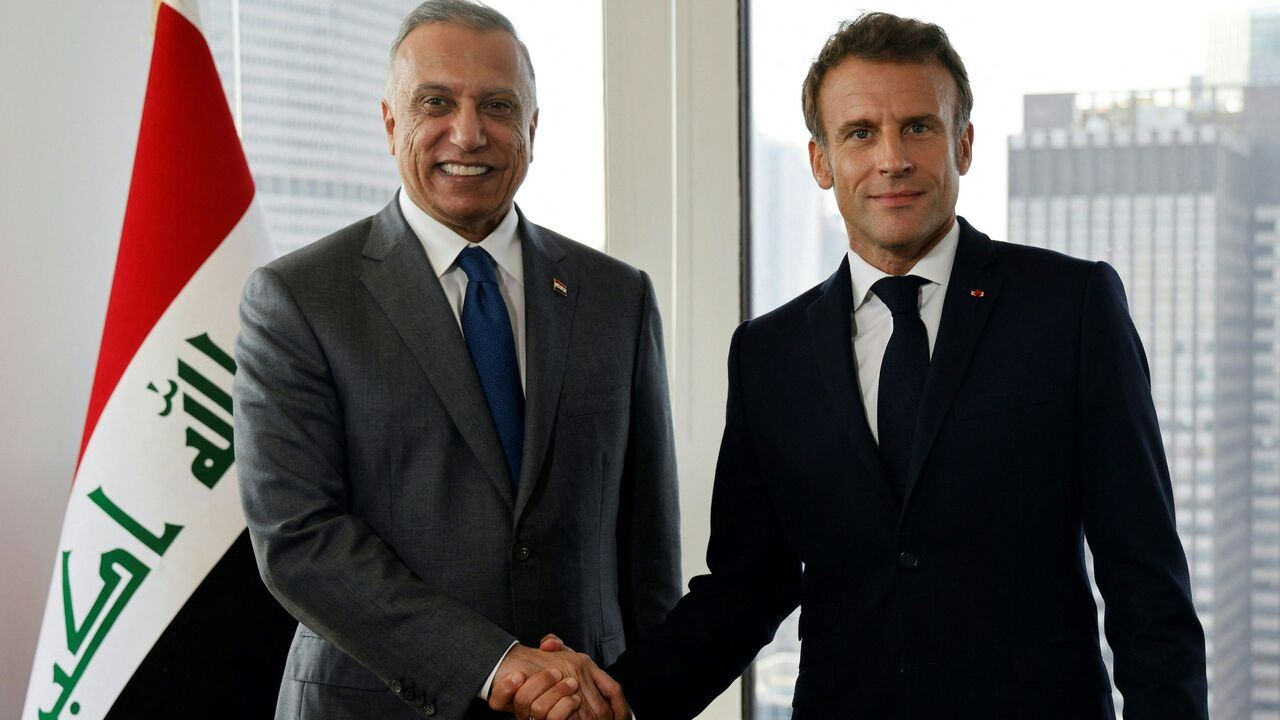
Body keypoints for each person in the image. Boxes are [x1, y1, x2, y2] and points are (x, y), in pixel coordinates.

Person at [498, 11, 1208, 720]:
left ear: (963, 143)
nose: (891, 158)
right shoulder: (769, 354)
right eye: (860, 133)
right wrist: (623, 698)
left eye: (919, 128)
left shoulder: (1069, 308)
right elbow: (747, 587)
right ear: (821, 160)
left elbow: (1145, 579)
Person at [232, 1, 680, 718]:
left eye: (498, 105)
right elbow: (299, 540)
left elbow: (647, 553)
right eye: (435, 102)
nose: (467, 133)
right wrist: (496, 665)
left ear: (532, 129)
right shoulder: (298, 300)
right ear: (389, 122)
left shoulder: (616, 297)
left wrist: (651, 696)